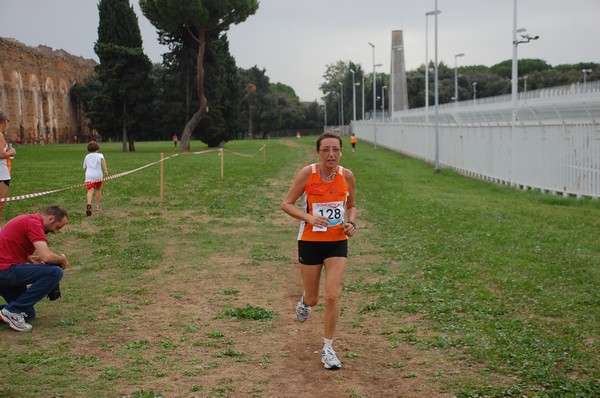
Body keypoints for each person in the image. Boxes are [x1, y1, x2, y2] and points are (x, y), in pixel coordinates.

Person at [281, 132, 357, 370]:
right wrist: (309, 218)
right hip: (310, 241)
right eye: (325, 150)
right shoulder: (308, 173)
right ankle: (305, 301)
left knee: (332, 295)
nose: (331, 154)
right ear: (318, 152)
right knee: (314, 298)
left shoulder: (347, 176)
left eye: (335, 149)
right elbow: (286, 204)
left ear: (341, 151)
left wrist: (352, 223)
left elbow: (352, 205)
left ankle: (328, 348)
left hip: (337, 241)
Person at [0, 206, 69, 331]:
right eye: (57, 227)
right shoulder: (34, 224)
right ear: (51, 218)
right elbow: (46, 256)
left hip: (6, 269)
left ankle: (10, 311)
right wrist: (62, 260)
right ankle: (12, 311)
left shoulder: (28, 220)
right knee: (55, 272)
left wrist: (28, 258)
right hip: (4, 271)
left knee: (28, 313)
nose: (55, 232)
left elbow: (9, 243)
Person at [83, 141, 108, 216]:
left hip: (89, 176)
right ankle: (97, 206)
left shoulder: (87, 156)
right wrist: (105, 171)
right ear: (97, 149)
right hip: (98, 175)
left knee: (90, 191)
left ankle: (89, 204)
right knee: (98, 189)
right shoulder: (100, 155)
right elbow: (103, 162)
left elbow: (85, 167)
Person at [0, 111, 17, 224]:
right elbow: (1, 154)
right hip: (1, 174)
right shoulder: (0, 135)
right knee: (0, 204)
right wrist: (11, 152)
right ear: (4, 121)